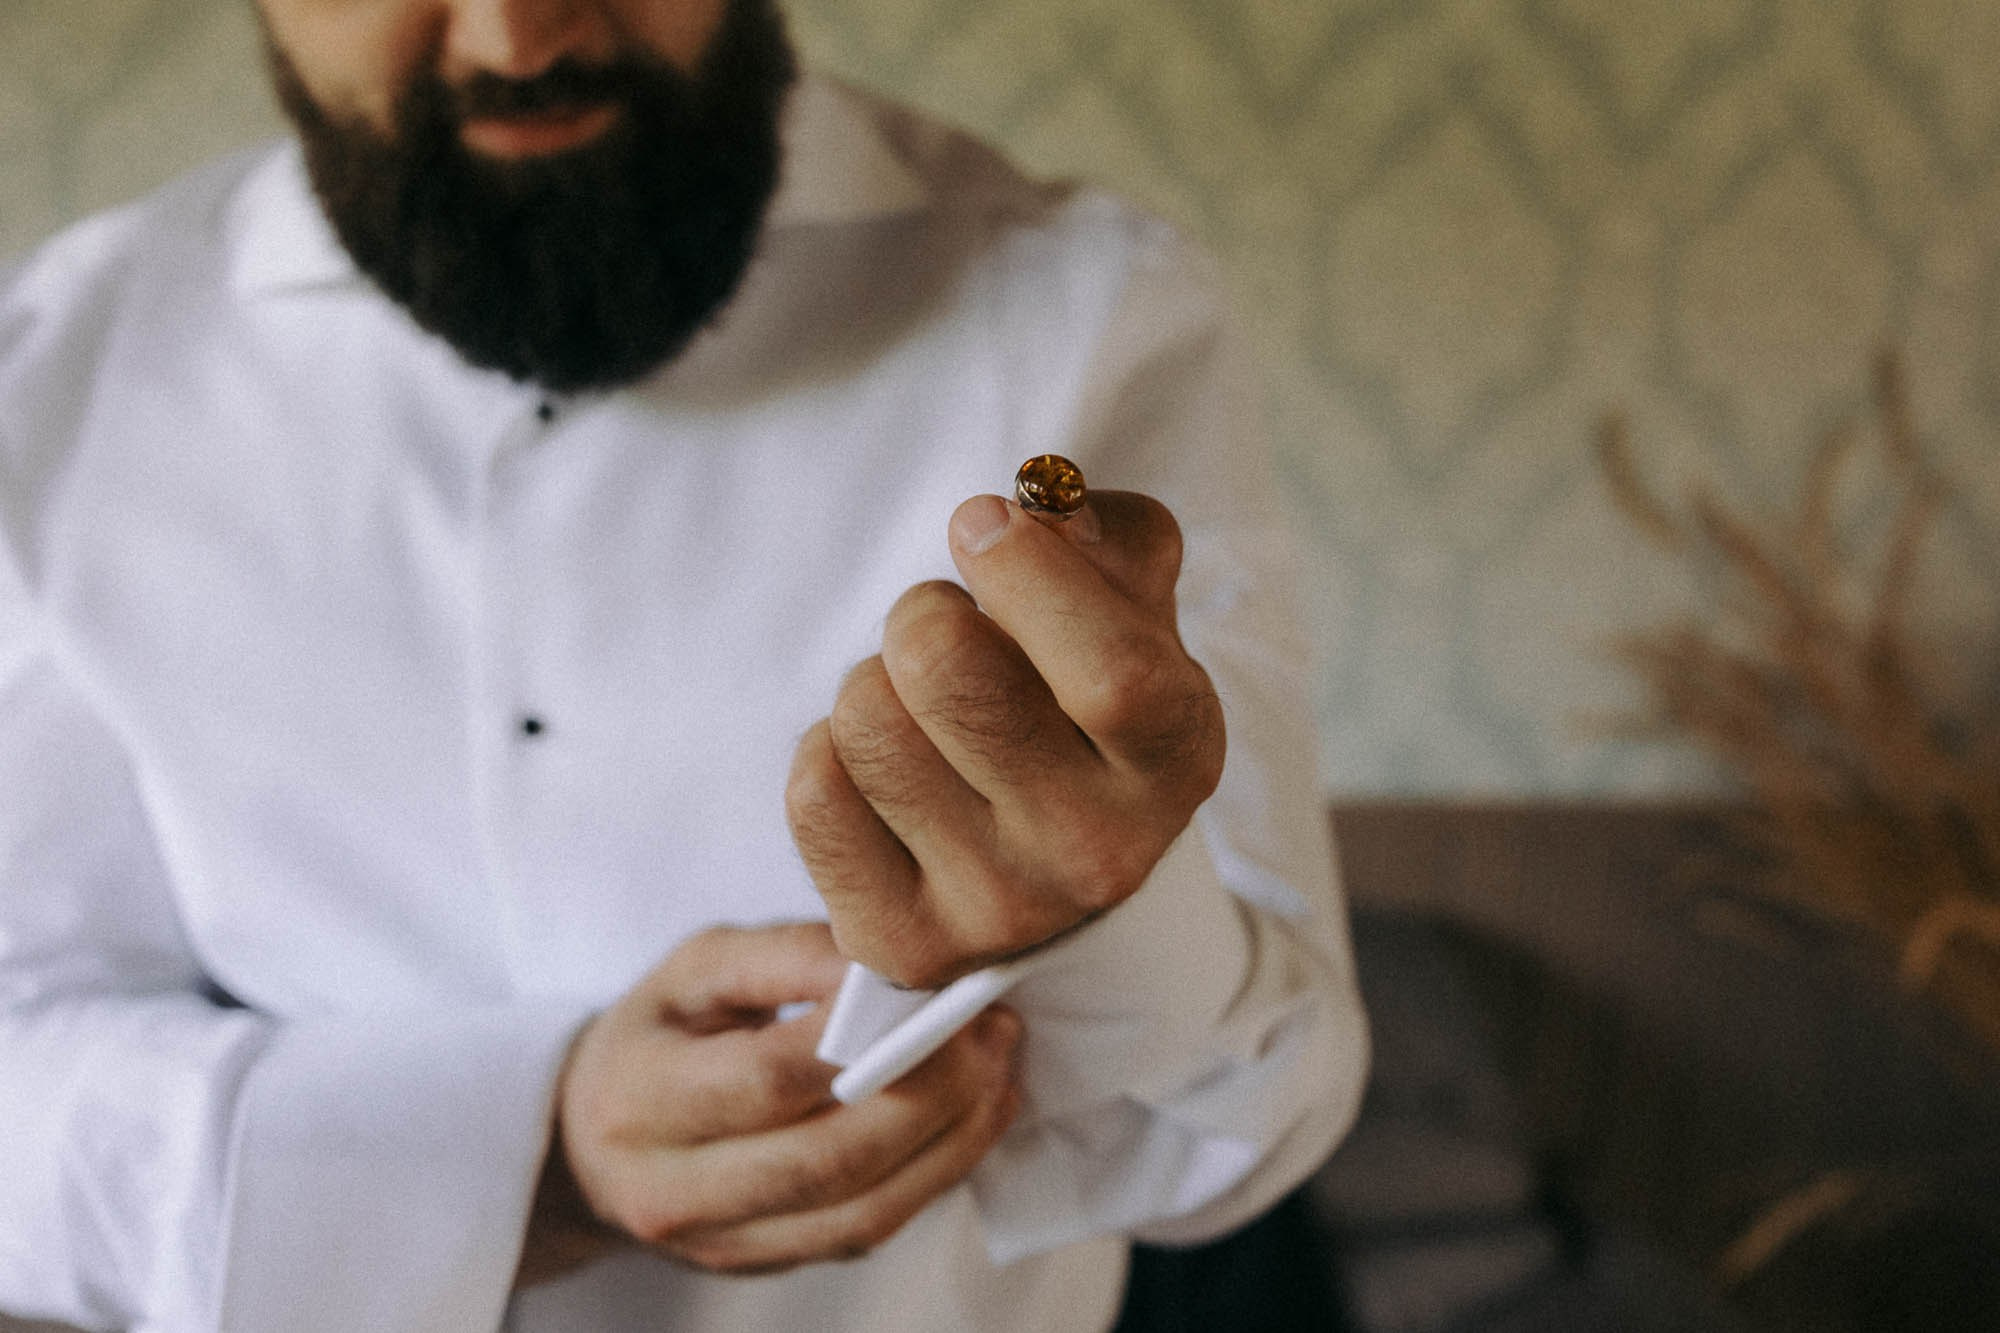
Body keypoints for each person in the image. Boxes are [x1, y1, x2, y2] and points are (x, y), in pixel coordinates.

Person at [0, 0, 1369, 1328]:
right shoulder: (63, 363)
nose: (514, 36)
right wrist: (516, 1144)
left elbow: (1265, 1106)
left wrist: (1097, 926)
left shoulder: (1091, 308)